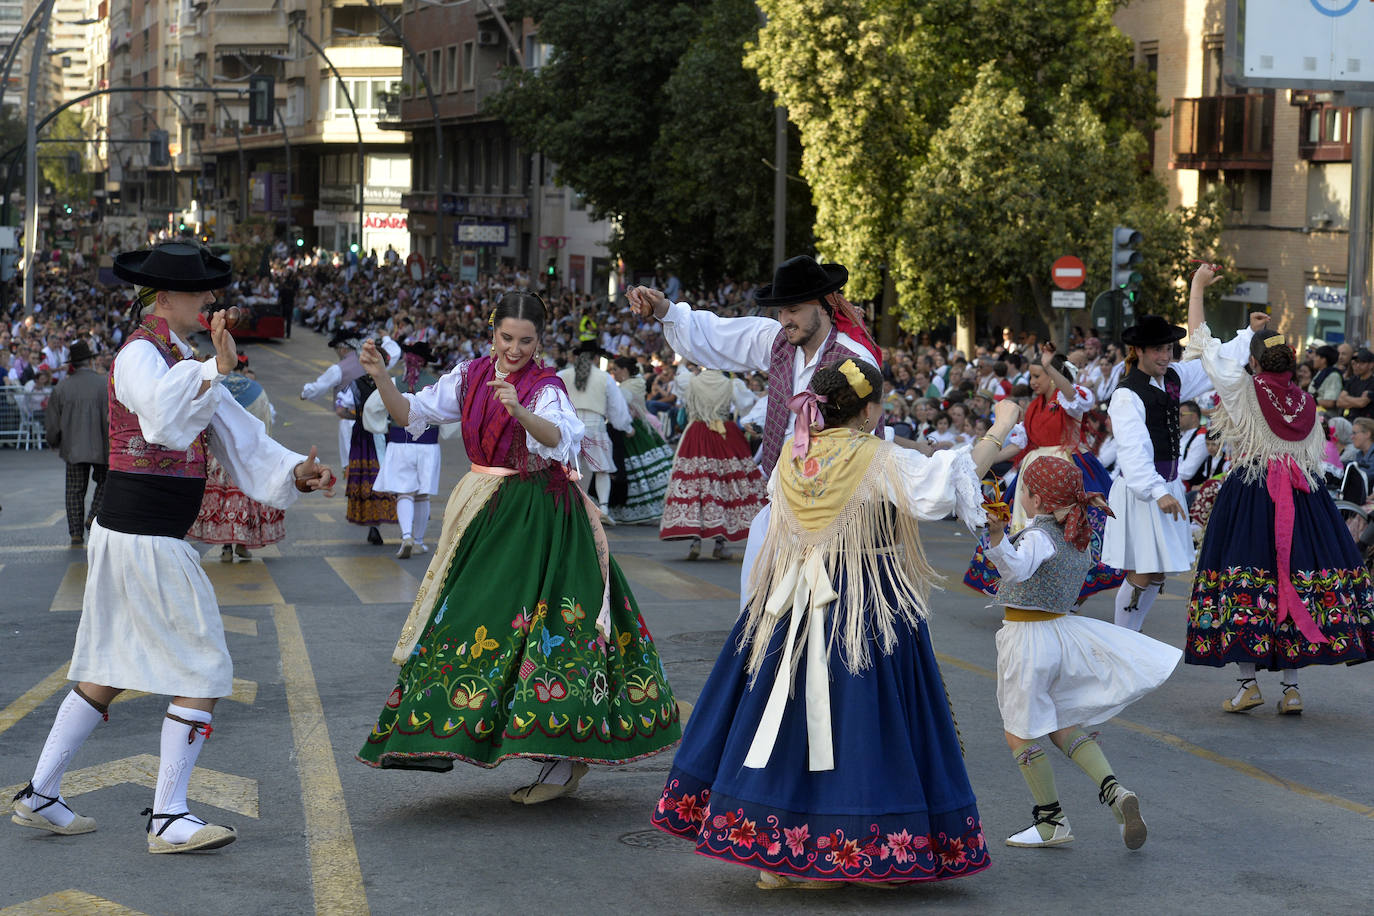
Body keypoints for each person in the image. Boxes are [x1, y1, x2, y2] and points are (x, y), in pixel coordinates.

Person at [11, 241, 335, 853]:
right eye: (202, 291)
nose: (213, 301)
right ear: (166, 297)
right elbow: (163, 420)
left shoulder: (179, 356)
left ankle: (40, 794)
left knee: (105, 667)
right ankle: (168, 817)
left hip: (137, 534)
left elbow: (241, 438)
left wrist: (294, 473)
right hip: (143, 535)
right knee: (205, 665)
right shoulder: (140, 355)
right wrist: (215, 368)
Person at [652, 360, 1016, 887]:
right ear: (869, 410)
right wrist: (1000, 426)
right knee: (857, 724)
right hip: (862, 600)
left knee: (785, 718)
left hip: (791, 596)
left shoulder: (793, 454)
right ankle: (843, 850)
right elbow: (941, 489)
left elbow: (775, 521)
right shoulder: (876, 456)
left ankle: (773, 849)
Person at [355, 292, 683, 802]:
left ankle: (560, 758)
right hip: (487, 508)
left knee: (548, 627)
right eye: (507, 338)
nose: (515, 349)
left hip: (540, 514)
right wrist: (379, 375)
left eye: (526, 341)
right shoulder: (466, 375)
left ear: (539, 341)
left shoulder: (545, 385)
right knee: (464, 615)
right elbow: (407, 412)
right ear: (492, 332)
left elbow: (558, 437)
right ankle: (437, 732)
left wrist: (520, 411)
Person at [629, 256, 887, 601]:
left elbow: (867, 437)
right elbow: (718, 336)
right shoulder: (778, 342)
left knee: (821, 621)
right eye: (781, 312)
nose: (785, 320)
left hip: (832, 516)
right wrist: (665, 310)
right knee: (759, 606)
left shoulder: (854, 360)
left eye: (793, 309)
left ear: (825, 306)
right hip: (780, 503)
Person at [1184, 264, 1374, 713]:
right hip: (1304, 499)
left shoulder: (1243, 389)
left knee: (1250, 579)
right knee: (1294, 579)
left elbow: (1201, 341)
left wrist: (1197, 287)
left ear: (1254, 362)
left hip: (1252, 494)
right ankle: (1291, 689)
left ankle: (1248, 683)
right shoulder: (1308, 403)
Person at [985, 456, 1181, 850]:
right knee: (1062, 722)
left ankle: (1050, 821)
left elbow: (1017, 570)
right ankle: (1114, 790)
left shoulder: (1039, 536)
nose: (1020, 495)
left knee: (1018, 732)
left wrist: (995, 538)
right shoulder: (1077, 535)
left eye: (1024, 489)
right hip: (1059, 634)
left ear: (1037, 499)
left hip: (1028, 639)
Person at [1101, 313, 1259, 631]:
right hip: (1143, 489)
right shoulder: (1127, 394)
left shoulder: (1173, 378)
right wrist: (1156, 491)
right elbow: (1133, 450)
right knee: (1145, 569)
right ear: (1140, 351)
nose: (1165, 356)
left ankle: (1130, 631)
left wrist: (1250, 334)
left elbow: (1215, 362)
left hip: (1166, 486)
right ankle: (1122, 636)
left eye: (1169, 349)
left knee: (1158, 572)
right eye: (1158, 350)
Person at [965, 345, 1123, 601]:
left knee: (1074, 531)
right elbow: (1020, 445)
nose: (1032, 382)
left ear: (1052, 375)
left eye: (1038, 375)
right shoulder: (1034, 407)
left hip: (1066, 468)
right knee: (1024, 526)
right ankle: (1028, 585)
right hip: (1034, 470)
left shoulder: (1068, 401)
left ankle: (1070, 593)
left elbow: (1072, 394)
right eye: (1032, 376)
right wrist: (983, 458)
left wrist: (1051, 365)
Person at [658, 368, 769, 560]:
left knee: (697, 484)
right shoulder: (731, 384)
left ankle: (696, 541)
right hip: (723, 434)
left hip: (696, 433)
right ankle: (719, 543)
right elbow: (745, 407)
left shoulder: (690, 381)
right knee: (723, 487)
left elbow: (680, 389)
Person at [188, 354, 287, 561]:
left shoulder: (213, 386)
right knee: (245, 499)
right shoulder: (255, 389)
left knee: (223, 502)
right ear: (242, 369)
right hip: (247, 453)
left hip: (218, 454)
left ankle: (226, 548)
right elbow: (266, 422)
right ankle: (242, 544)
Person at [369, 340, 442, 558]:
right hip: (428, 444)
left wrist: (381, 427)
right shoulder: (435, 384)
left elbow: (372, 408)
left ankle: (407, 536)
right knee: (422, 495)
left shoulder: (393, 383)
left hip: (400, 442)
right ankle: (418, 541)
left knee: (404, 493)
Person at [557, 340, 633, 522]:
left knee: (570, 469)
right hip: (594, 426)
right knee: (602, 470)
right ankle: (604, 508)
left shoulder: (562, 375)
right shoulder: (604, 377)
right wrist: (626, 426)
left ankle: (571, 506)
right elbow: (617, 408)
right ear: (597, 358)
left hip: (570, 426)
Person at [44, 339, 108, 547]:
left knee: (74, 489)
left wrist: (53, 441)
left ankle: (75, 533)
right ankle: (94, 516)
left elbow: (52, 422)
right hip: (102, 445)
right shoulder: (104, 384)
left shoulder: (62, 388)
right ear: (89, 362)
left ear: (72, 364)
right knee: (106, 483)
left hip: (73, 446)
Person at [341, 338, 401, 545]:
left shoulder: (355, 384)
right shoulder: (391, 383)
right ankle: (406, 523)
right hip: (385, 432)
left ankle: (372, 525)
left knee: (368, 475)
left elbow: (342, 409)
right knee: (386, 472)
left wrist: (358, 415)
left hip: (362, 434)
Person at [607, 355, 673, 524]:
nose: (614, 372)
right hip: (623, 429)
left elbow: (621, 401)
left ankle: (644, 508)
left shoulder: (636, 383)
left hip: (636, 428)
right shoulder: (624, 384)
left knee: (638, 469)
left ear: (624, 369)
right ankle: (620, 509)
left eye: (616, 369)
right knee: (625, 469)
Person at [301, 329, 369, 470]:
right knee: (367, 458)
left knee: (351, 461)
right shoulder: (367, 363)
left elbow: (320, 386)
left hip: (349, 419)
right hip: (370, 419)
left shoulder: (339, 368)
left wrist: (305, 393)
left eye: (337, 349)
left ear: (343, 348)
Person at [1337, 348, 1374, 421]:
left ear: (1371, 365)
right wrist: (1356, 401)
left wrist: (1346, 398)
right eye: (1356, 362)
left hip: (1365, 422)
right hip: (1348, 419)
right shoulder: (1353, 379)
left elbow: (1362, 403)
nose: (1357, 366)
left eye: (1362, 363)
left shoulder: (1372, 382)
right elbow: (1339, 402)